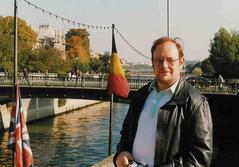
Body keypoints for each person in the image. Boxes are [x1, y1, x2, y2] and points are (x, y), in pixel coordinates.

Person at [113, 37, 213, 167]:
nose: (164, 65)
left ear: (181, 62)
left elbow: (201, 156)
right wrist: (121, 153)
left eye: (170, 60)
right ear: (153, 63)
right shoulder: (140, 96)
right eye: (159, 60)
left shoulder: (196, 102)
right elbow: (126, 132)